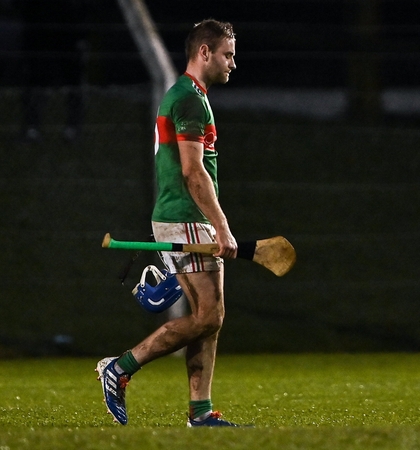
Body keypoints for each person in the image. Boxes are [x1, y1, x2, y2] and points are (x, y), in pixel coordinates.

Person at [96, 19, 239, 427]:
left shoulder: (189, 95)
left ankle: (201, 411)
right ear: (205, 52)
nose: (233, 63)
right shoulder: (189, 100)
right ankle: (120, 367)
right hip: (186, 216)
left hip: (187, 216)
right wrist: (222, 226)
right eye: (227, 55)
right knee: (209, 317)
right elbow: (193, 172)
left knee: (210, 317)